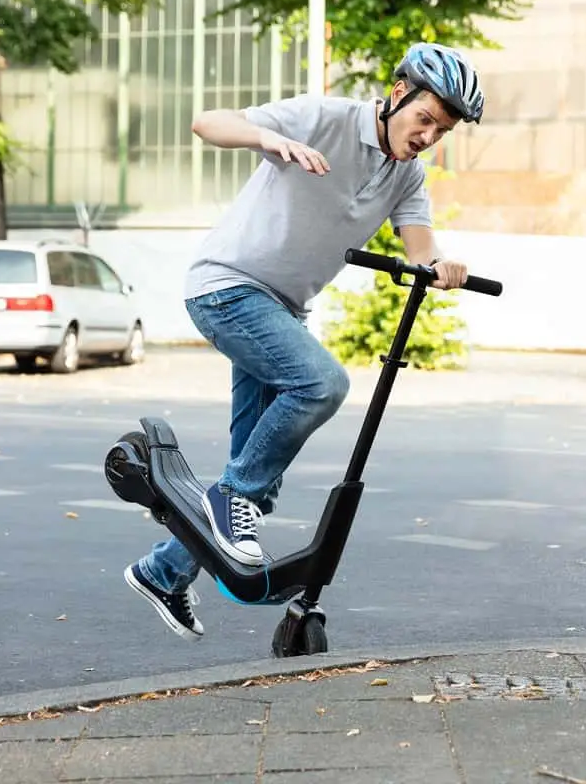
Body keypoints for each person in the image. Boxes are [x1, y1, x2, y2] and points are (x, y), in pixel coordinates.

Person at [124, 42, 486, 640]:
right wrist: (269, 139)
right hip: (227, 288)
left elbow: (421, 248)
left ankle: (164, 571)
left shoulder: (407, 176)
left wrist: (442, 268)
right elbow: (207, 123)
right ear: (398, 94)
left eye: (441, 130)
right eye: (424, 119)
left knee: (255, 483)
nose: (428, 136)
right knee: (320, 384)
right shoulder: (325, 117)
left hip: (281, 310)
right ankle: (227, 499)